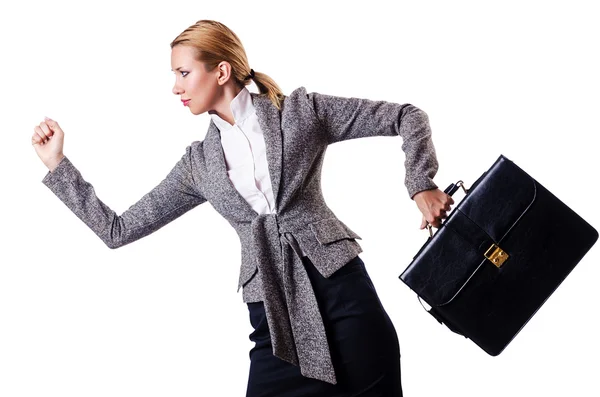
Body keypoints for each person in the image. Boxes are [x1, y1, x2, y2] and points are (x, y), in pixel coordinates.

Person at [32, 19, 453, 397]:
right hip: (274, 319)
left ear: (221, 71)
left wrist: (420, 184)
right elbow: (117, 230)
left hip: (343, 294)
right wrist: (58, 165)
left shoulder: (301, 112)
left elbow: (406, 116)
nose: (175, 87)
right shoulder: (198, 166)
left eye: (183, 73)